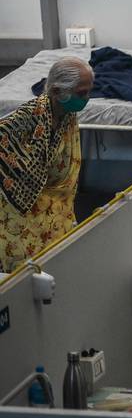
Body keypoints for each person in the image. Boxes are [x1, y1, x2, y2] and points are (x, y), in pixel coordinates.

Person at [0, 57, 93, 272]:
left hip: (55, 205)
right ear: (57, 91)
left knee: (58, 262)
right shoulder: (28, 118)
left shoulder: (67, 115)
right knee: (26, 272)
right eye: (81, 93)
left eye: (88, 91)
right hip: (22, 210)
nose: (86, 99)